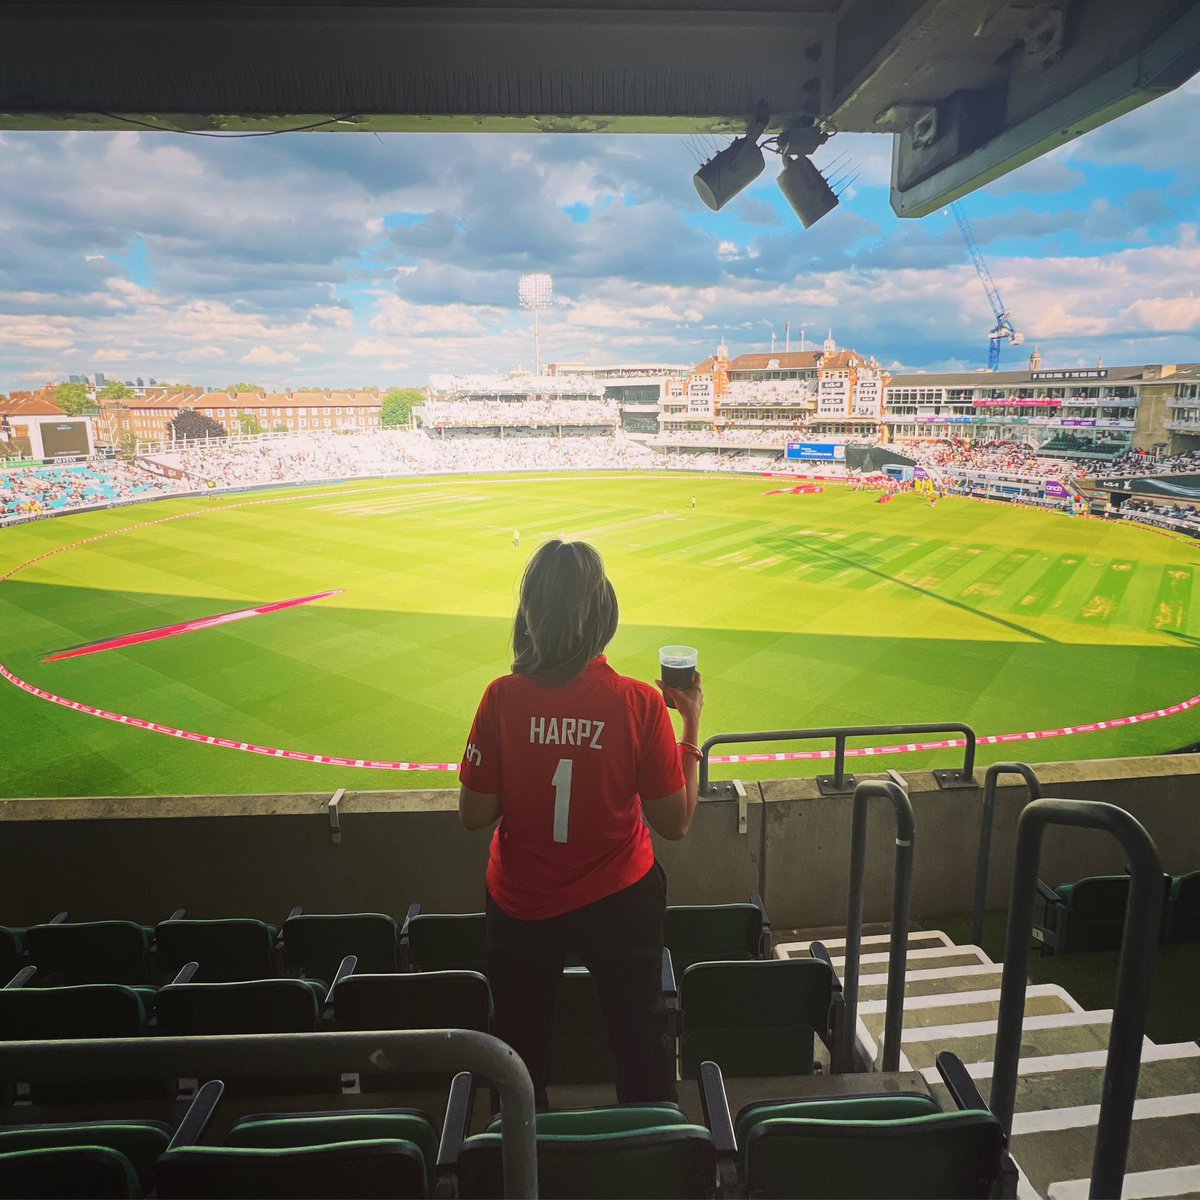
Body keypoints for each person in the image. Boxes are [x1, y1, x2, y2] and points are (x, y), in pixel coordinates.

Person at [458, 539, 704, 1108]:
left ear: (531, 616)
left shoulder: (500, 698)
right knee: (641, 1044)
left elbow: (474, 815)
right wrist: (690, 724)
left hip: (521, 904)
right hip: (621, 901)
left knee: (518, 1057)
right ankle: (651, 1161)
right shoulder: (640, 703)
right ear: (604, 617)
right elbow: (676, 822)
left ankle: (524, 1163)